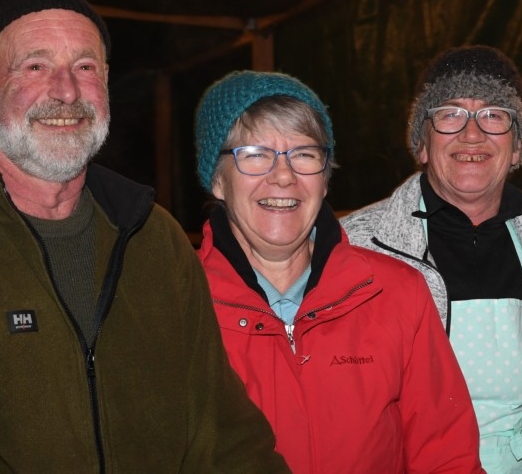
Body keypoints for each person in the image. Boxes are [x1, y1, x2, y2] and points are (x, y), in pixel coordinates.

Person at [0, 0, 289, 472]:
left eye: (85, 66)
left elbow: (226, 437)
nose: (67, 91)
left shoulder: (153, 238)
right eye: (36, 65)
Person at [193, 70, 485, 474]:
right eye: (255, 154)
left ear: (325, 180)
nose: (284, 176)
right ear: (217, 180)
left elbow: (447, 457)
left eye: (304, 155)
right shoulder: (176, 308)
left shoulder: (395, 293)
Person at [342, 46, 522, 474]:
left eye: (494, 115)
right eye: (450, 114)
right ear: (421, 144)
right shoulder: (355, 248)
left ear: (518, 147)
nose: (472, 134)